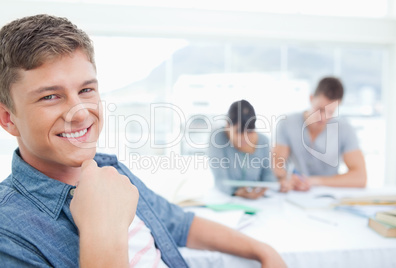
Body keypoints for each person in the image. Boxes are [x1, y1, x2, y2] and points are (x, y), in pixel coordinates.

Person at [0, 14, 286, 267]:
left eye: (86, 90)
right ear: (8, 119)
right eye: (50, 96)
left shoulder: (112, 172)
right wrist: (103, 231)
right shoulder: (7, 234)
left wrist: (263, 250)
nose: (79, 112)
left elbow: (180, 224)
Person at [272, 76, 367, 192]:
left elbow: (360, 178)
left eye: (330, 112)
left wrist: (314, 181)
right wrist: (287, 178)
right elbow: (277, 165)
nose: (323, 118)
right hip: (295, 192)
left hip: (328, 194)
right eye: (320, 109)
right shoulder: (287, 123)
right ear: (311, 98)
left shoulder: (345, 129)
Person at [209, 100, 277, 199]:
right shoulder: (217, 137)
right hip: (227, 197)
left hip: (258, 199)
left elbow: (268, 176)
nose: (245, 138)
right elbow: (220, 179)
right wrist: (236, 192)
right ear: (228, 125)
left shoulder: (263, 140)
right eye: (239, 132)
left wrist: (271, 187)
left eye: (250, 131)